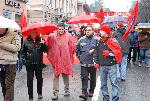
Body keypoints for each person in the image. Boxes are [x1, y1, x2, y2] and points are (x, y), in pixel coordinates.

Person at [46, 22, 76, 100]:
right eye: (59, 29)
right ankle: (55, 93)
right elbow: (48, 45)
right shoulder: (52, 36)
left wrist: (70, 56)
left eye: (62, 29)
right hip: (56, 60)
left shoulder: (68, 36)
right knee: (56, 76)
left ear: (64, 29)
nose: (61, 30)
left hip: (65, 59)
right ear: (57, 29)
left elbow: (72, 46)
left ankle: (67, 90)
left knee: (65, 75)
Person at [94, 25, 122, 101]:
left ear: (106, 32)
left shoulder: (113, 41)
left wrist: (109, 53)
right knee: (103, 84)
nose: (100, 32)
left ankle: (115, 98)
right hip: (102, 66)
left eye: (102, 30)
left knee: (114, 83)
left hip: (112, 65)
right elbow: (96, 52)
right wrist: (96, 62)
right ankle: (105, 97)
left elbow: (118, 52)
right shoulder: (99, 41)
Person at [22, 29, 48, 101]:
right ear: (30, 33)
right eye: (33, 32)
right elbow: (22, 53)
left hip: (38, 63)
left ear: (37, 33)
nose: (34, 34)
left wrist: (44, 42)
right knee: (30, 80)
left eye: (36, 32)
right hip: (30, 64)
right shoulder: (26, 42)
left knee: (39, 80)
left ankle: (39, 93)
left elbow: (46, 50)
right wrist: (25, 62)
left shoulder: (40, 41)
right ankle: (30, 96)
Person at [76, 26, 99, 100]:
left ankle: (91, 90)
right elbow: (77, 49)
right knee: (84, 77)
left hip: (93, 63)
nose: (87, 31)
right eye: (86, 30)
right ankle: (84, 92)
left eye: (89, 30)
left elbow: (100, 51)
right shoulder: (81, 40)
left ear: (93, 31)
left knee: (93, 78)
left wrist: (97, 61)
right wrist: (80, 57)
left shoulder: (97, 40)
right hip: (84, 63)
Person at [0, 28, 21, 101]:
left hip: (10, 63)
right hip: (0, 63)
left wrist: (2, 44)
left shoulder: (14, 34)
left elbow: (16, 47)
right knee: (3, 85)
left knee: (9, 85)